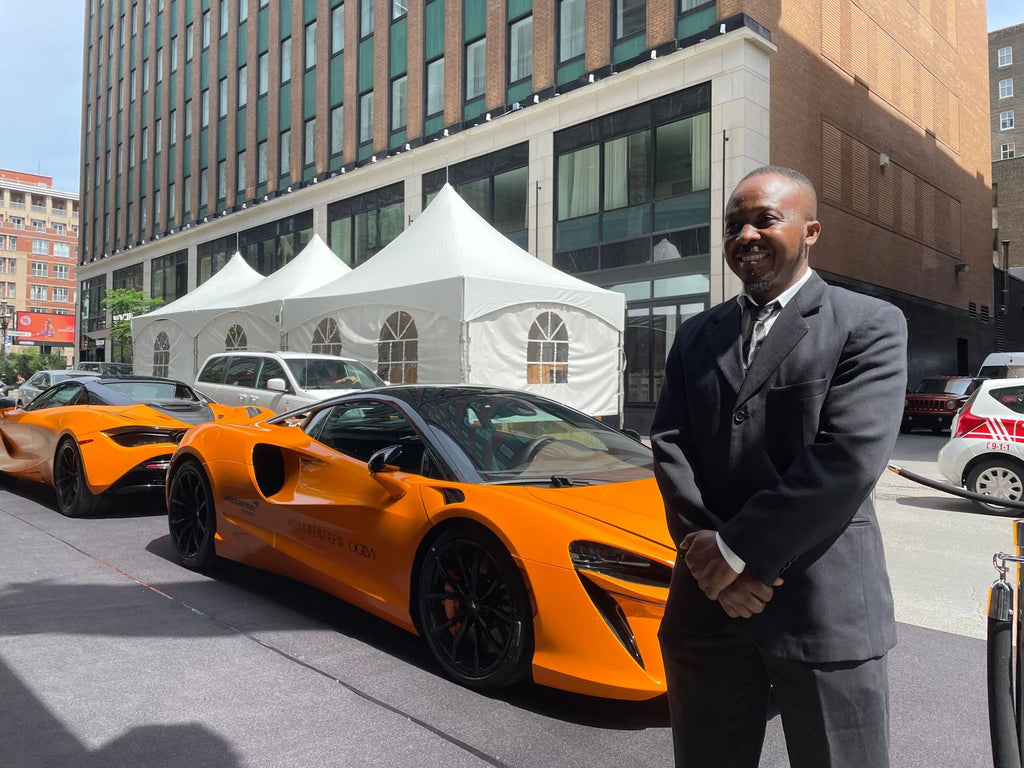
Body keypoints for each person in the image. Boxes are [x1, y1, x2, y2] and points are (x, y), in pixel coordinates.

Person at [651, 166, 907, 768]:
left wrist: (737, 552)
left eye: (765, 219)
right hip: (708, 608)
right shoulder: (695, 336)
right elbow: (669, 446)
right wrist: (710, 557)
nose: (746, 235)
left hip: (823, 609)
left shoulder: (867, 324)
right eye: (734, 224)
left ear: (811, 230)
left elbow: (847, 458)